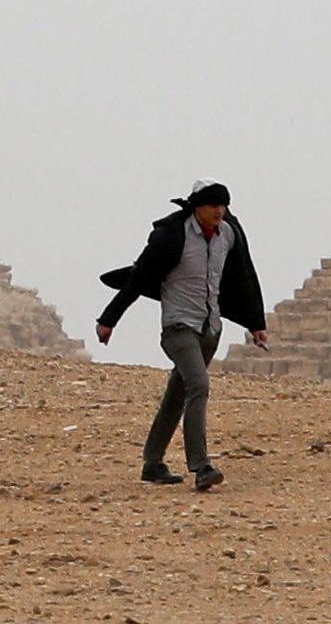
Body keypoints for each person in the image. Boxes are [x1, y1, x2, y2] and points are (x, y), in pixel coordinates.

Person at [95, 180, 265, 491]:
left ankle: (153, 463)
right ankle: (201, 466)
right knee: (199, 385)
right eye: (212, 205)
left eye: (223, 205)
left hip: (210, 329)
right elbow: (139, 276)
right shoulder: (173, 235)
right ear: (196, 207)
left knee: (177, 394)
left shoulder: (229, 234)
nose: (219, 211)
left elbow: (243, 276)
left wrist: (256, 323)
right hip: (178, 327)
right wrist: (109, 320)